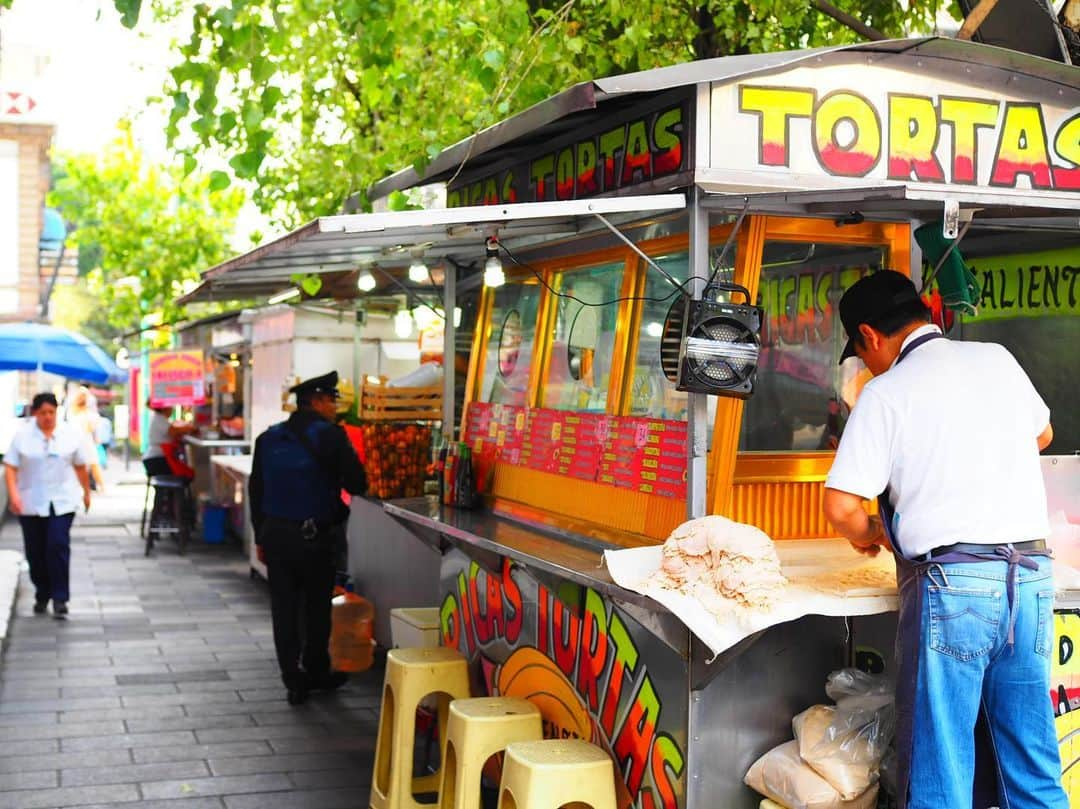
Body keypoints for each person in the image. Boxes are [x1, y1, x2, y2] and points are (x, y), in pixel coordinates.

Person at [821, 270, 1067, 809]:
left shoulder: (886, 392)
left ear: (871, 336)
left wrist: (871, 535)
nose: (868, 365)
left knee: (943, 764)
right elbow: (1043, 433)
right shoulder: (997, 359)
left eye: (863, 354)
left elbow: (841, 505)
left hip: (955, 588)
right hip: (1027, 581)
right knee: (1029, 762)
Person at [249, 371, 367, 705]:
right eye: (332, 400)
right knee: (316, 607)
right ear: (316, 401)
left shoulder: (268, 438)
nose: (334, 406)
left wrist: (261, 535)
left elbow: (256, 491)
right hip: (316, 537)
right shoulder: (330, 436)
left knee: (284, 609)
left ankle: (293, 679)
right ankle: (316, 669)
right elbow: (357, 484)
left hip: (276, 536)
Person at [3, 392, 92, 618]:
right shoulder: (23, 436)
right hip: (31, 501)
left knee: (57, 545)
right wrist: (14, 496)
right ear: (35, 413)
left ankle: (60, 598)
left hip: (63, 500)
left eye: (51, 412)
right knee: (36, 551)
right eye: (42, 413)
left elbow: (81, 466)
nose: (47, 417)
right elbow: (11, 468)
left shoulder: (69, 434)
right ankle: (43, 592)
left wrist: (86, 493)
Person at [143, 400, 196, 478]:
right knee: (185, 476)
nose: (172, 409)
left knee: (185, 474)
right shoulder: (159, 418)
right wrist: (190, 427)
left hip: (154, 459)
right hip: (157, 460)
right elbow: (174, 431)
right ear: (165, 408)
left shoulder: (159, 418)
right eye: (171, 406)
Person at [67, 387, 105, 494]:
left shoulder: (73, 414)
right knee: (92, 464)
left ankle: (86, 487)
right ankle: (98, 487)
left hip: (78, 442)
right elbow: (92, 428)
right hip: (85, 442)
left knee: (82, 465)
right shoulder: (87, 415)